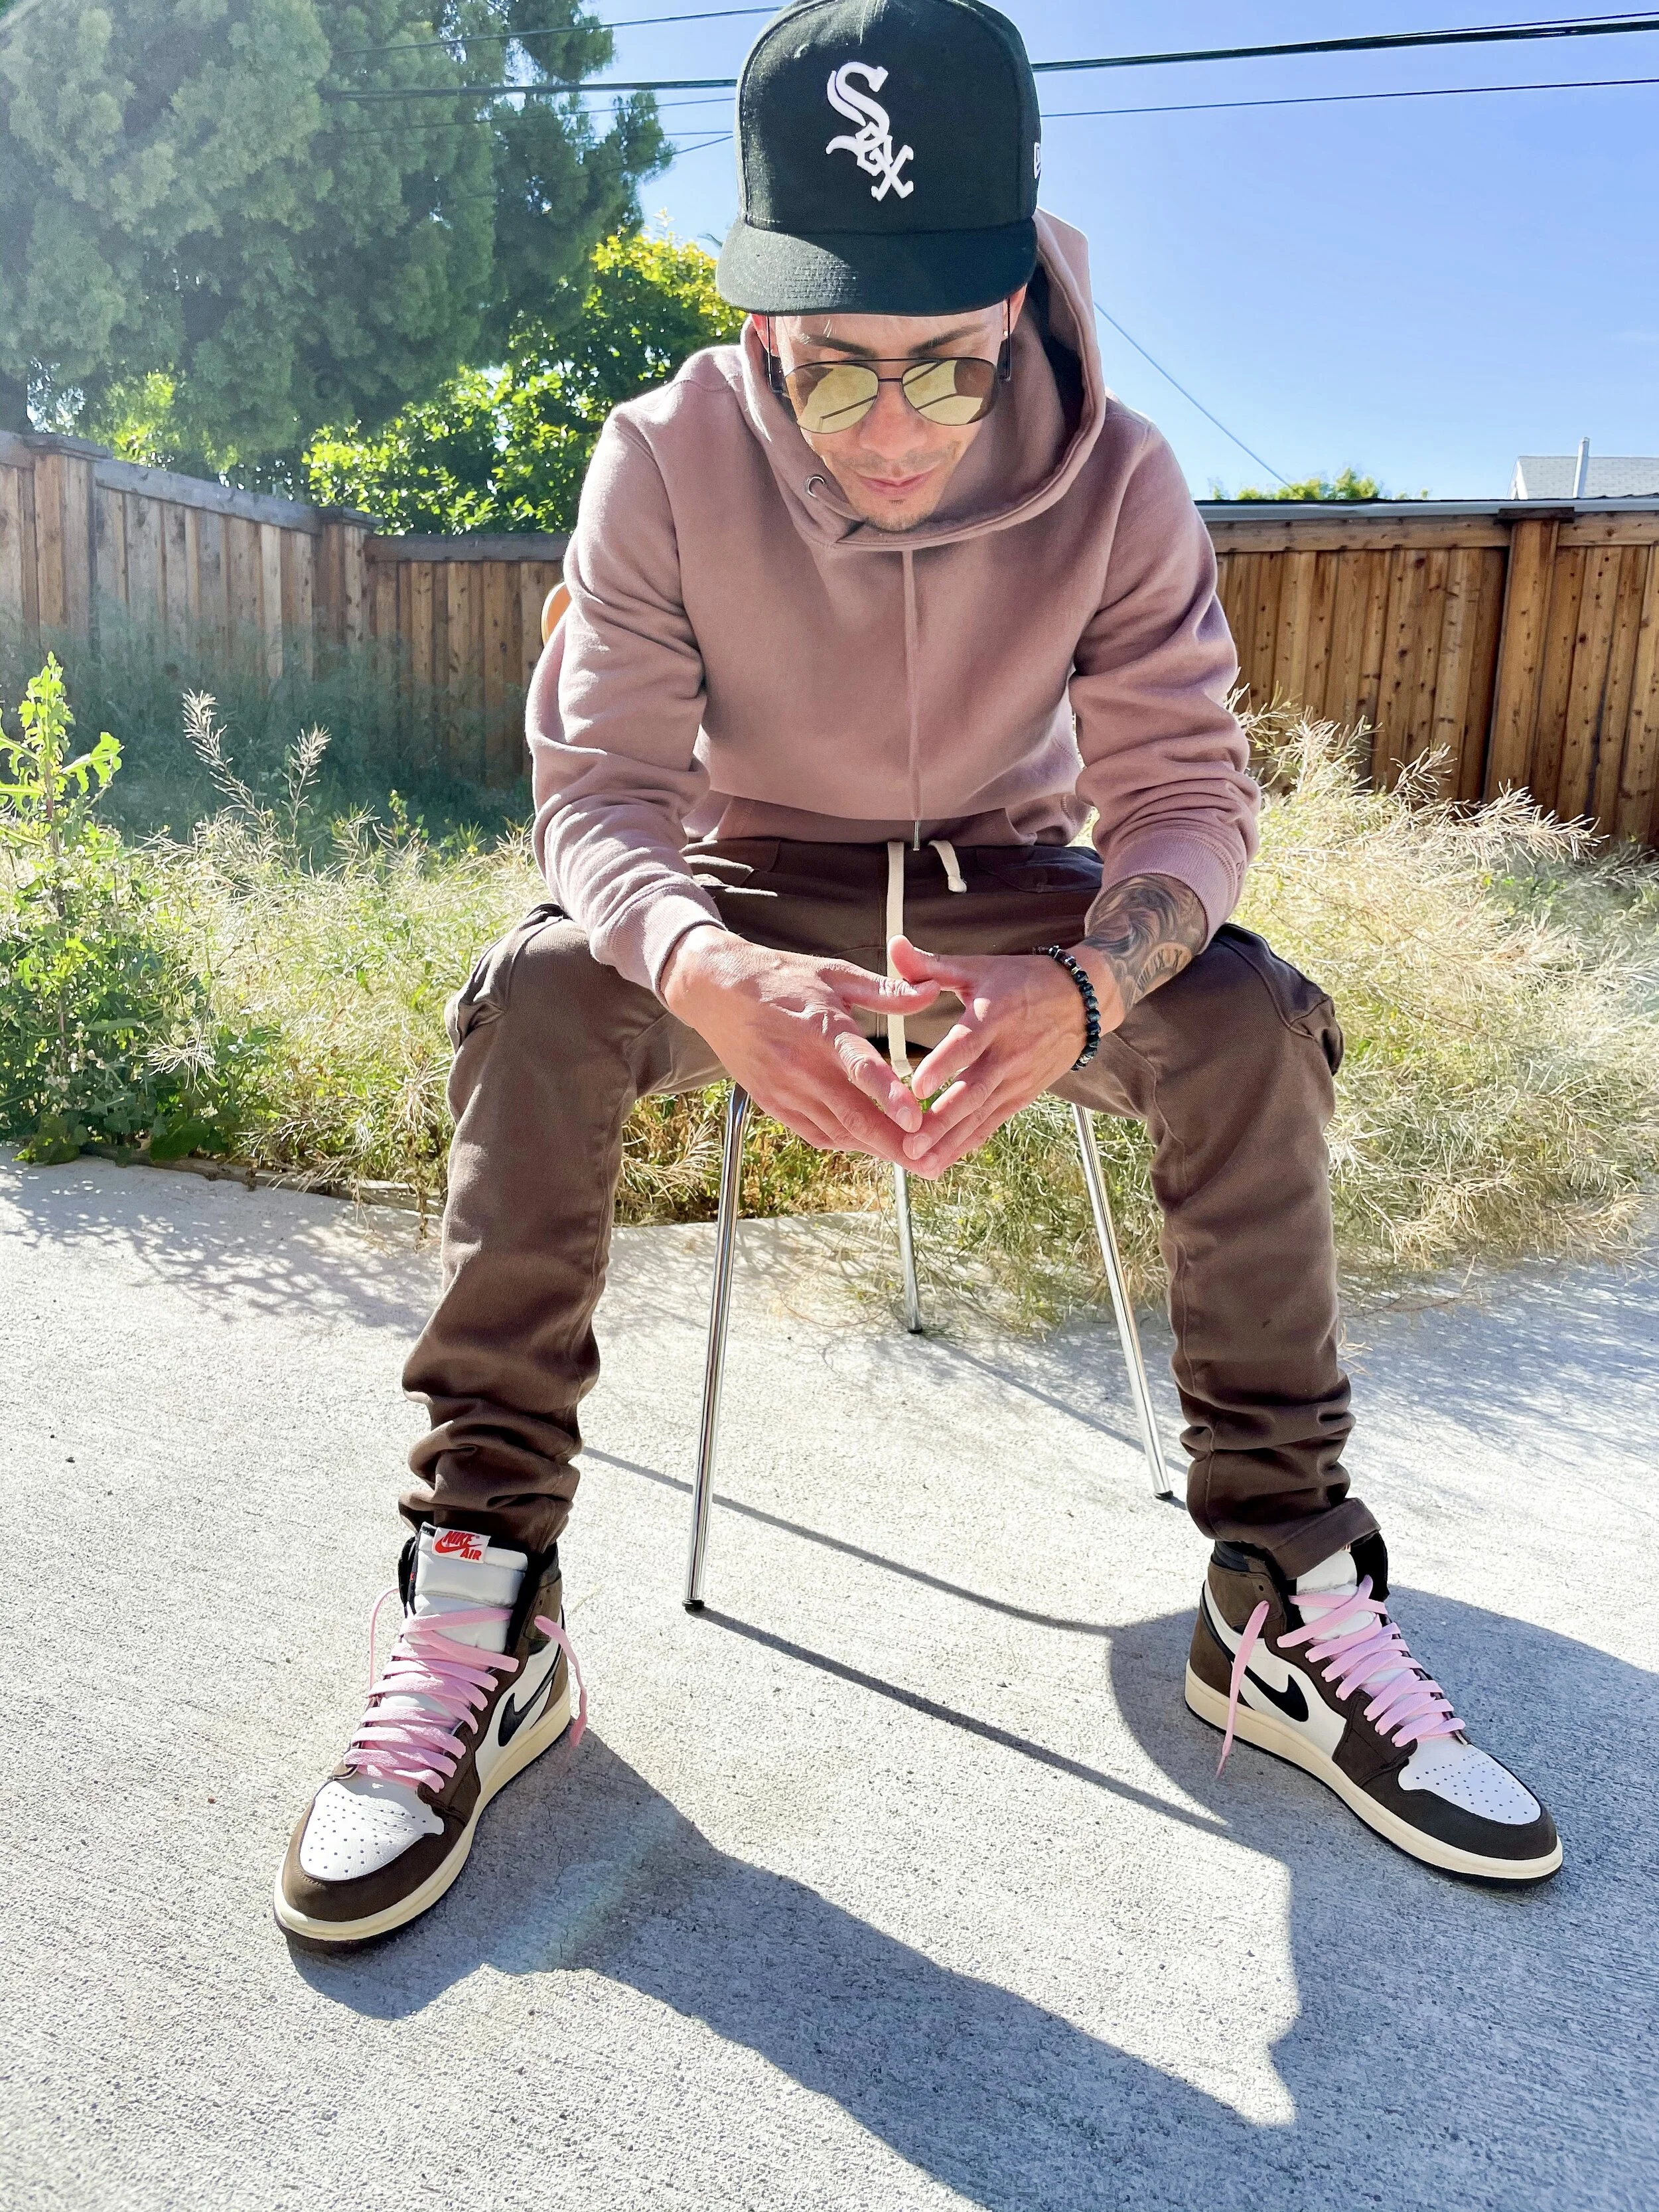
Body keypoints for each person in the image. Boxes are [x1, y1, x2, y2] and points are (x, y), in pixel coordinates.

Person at [275, 0, 1559, 1947]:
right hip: (743, 871)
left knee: (1248, 1019)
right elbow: (595, 790)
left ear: (1019, 305)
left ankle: (1276, 1592)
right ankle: (486, 1593)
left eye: (946, 373)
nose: (887, 435)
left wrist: (1083, 987)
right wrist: (701, 970)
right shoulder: (658, 455)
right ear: (761, 316)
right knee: (532, 997)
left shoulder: (1120, 478)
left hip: (1011, 888)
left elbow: (1188, 799)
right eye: (830, 372)